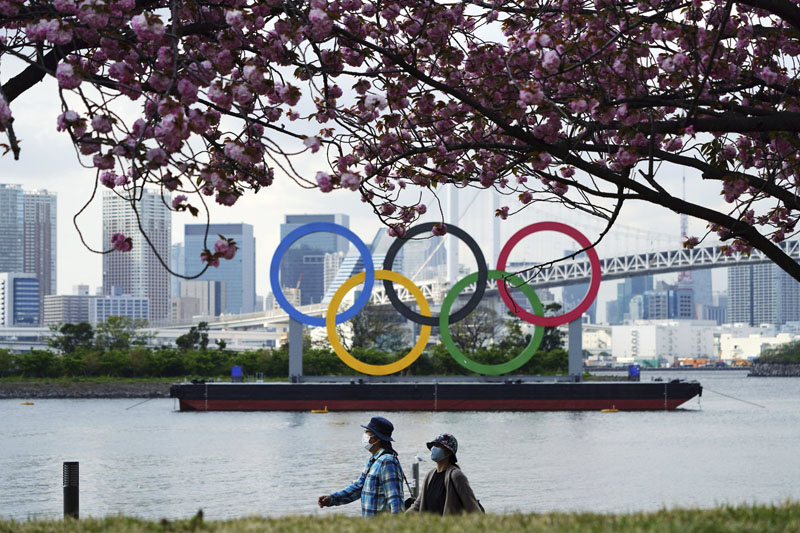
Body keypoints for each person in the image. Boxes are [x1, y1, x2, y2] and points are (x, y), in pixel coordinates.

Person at [317, 416, 404, 517]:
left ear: (377, 438)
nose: (364, 435)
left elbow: (395, 499)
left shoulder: (387, 462)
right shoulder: (373, 461)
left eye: (367, 432)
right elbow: (358, 487)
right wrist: (332, 499)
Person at [406, 433, 482, 515]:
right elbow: (418, 504)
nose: (433, 448)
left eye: (438, 446)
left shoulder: (456, 476)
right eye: (433, 445)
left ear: (448, 452)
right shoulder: (429, 475)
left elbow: (472, 507)